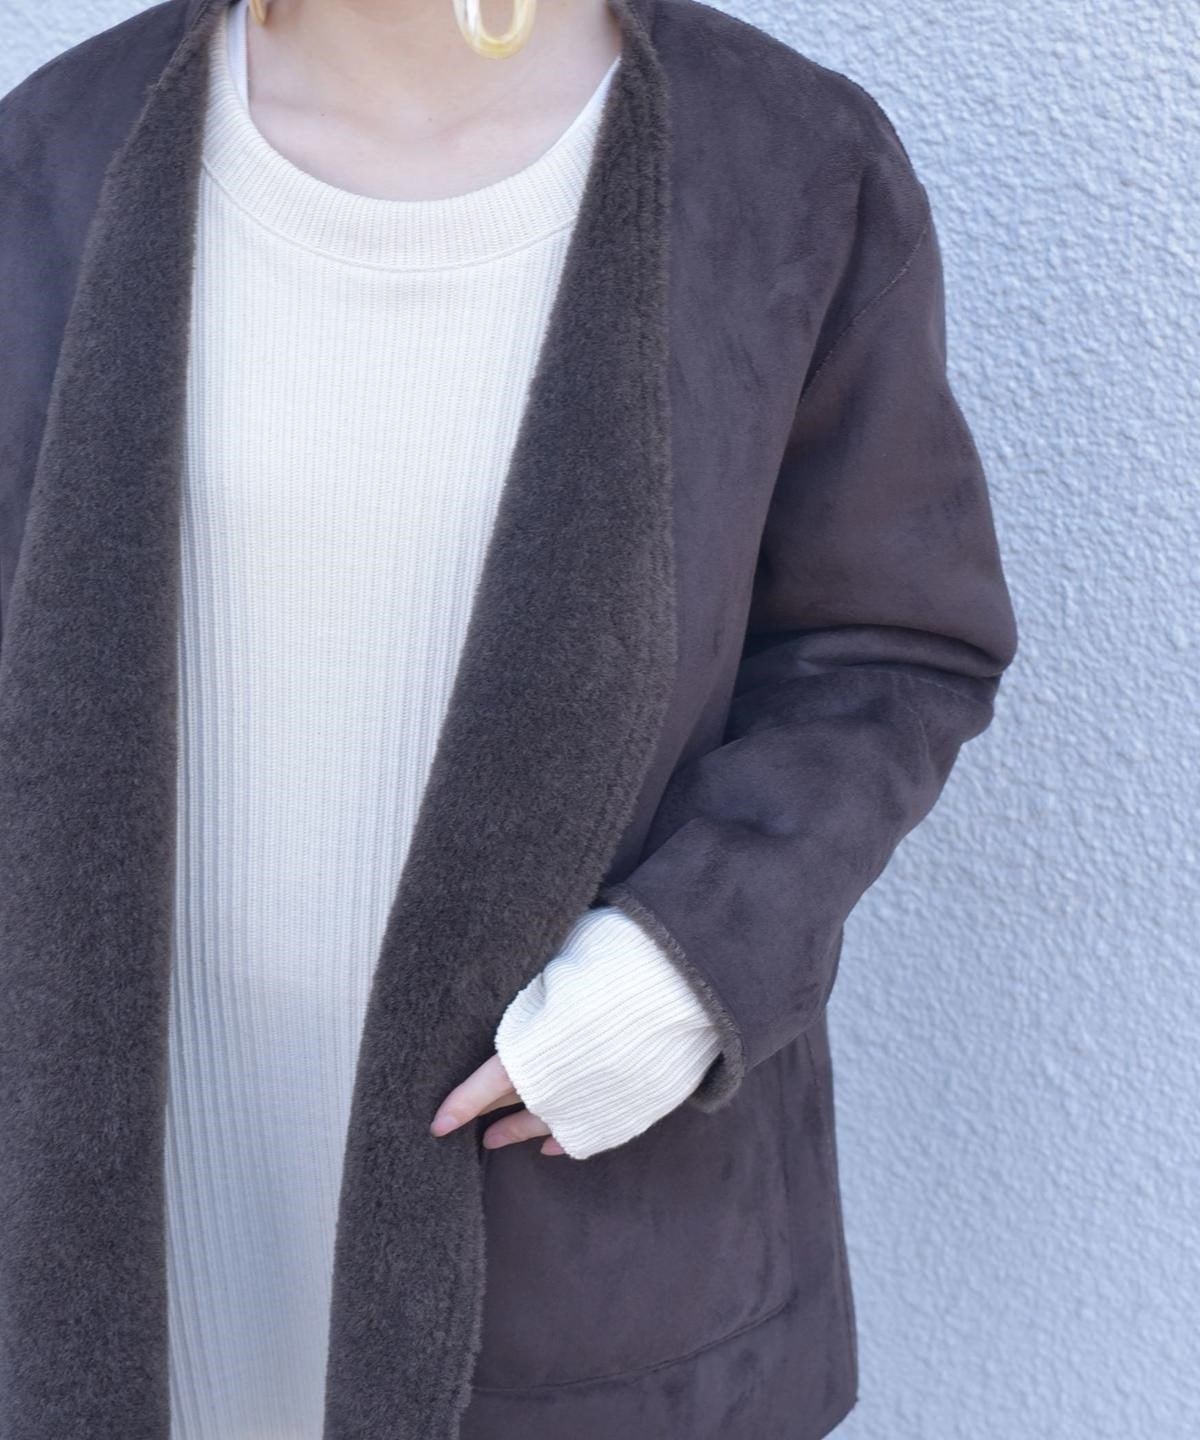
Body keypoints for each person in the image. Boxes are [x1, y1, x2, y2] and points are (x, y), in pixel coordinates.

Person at [0, 2, 1020, 1438]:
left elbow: (890, 643)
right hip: (129, 1213)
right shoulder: (57, 155)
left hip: (573, 1220)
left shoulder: (786, 167)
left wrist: (688, 966)